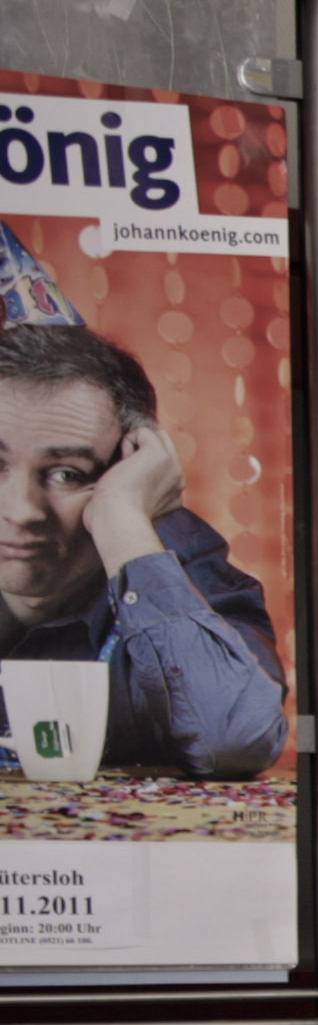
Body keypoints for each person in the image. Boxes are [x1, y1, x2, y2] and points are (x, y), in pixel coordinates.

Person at [0, 319, 287, 778]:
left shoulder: (180, 566)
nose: (22, 512)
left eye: (68, 474)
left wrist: (122, 522)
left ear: (129, 471)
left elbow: (235, 739)